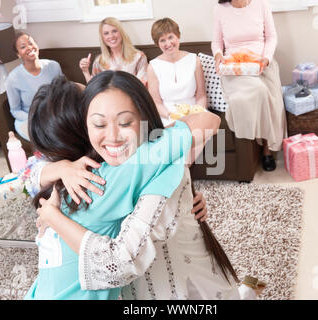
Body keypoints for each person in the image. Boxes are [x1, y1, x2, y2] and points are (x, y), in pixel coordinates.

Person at [25, 71, 257, 300]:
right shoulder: (108, 175)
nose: (113, 135)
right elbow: (207, 121)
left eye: (124, 121)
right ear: (83, 127)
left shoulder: (68, 184)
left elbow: (27, 176)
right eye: (97, 120)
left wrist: (54, 192)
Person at [212, 0, 287, 171]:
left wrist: (266, 58)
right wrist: (217, 55)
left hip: (262, 63)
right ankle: (260, 145)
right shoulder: (219, 9)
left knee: (271, 97)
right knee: (259, 90)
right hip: (235, 68)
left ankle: (267, 150)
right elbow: (216, 42)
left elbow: (271, 37)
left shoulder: (261, 4)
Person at [147, 18, 208, 126]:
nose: (168, 43)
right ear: (158, 43)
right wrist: (172, 116)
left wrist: (196, 113)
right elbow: (156, 102)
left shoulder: (194, 60)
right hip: (167, 116)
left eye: (170, 37)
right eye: (162, 40)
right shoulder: (152, 67)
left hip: (194, 113)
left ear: (177, 36)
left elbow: (201, 95)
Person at [6, 32, 62, 141]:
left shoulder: (54, 66)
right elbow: (15, 110)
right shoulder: (13, 78)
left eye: (31, 43)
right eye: (23, 47)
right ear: (18, 54)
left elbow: (63, 93)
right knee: (48, 140)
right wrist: (36, 119)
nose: (29, 48)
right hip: (29, 119)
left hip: (53, 116)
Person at [79, 17, 148, 85]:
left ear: (121, 33)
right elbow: (93, 88)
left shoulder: (139, 57)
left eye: (114, 31)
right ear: (102, 38)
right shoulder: (99, 61)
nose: (111, 36)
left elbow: (141, 86)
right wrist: (85, 71)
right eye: (106, 33)